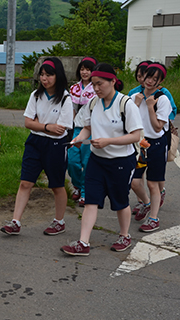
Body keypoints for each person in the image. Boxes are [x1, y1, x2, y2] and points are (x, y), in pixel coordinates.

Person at [61, 63, 143, 256]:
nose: (96, 88)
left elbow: (135, 136)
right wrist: (78, 139)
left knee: (120, 201)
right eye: (94, 84)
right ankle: (83, 242)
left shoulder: (126, 104)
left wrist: (108, 141)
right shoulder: (93, 103)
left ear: (113, 81)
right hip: (97, 161)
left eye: (100, 84)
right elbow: (87, 128)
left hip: (122, 161)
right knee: (91, 199)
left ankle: (125, 236)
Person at [0, 57, 73, 236]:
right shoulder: (36, 95)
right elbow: (28, 123)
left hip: (56, 145)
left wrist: (39, 124)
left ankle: (59, 221)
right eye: (42, 74)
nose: (44, 78)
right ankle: (15, 222)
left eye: (49, 74)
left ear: (58, 76)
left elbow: (60, 130)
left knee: (56, 185)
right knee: (25, 182)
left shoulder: (65, 98)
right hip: (34, 142)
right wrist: (46, 126)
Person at [128, 61, 176, 216]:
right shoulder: (135, 97)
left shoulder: (162, 99)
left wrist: (150, 107)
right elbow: (128, 122)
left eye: (155, 78)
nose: (149, 81)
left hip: (156, 144)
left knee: (152, 183)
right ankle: (146, 203)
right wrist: (136, 105)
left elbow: (157, 127)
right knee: (134, 182)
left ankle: (154, 218)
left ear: (160, 81)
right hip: (139, 143)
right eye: (148, 76)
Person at [68, 57, 98, 207]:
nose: (85, 72)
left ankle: (85, 192)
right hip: (76, 128)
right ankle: (77, 185)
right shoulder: (74, 88)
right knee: (72, 160)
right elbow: (72, 109)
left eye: (88, 69)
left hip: (92, 129)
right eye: (82, 69)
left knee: (87, 162)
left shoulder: (97, 88)